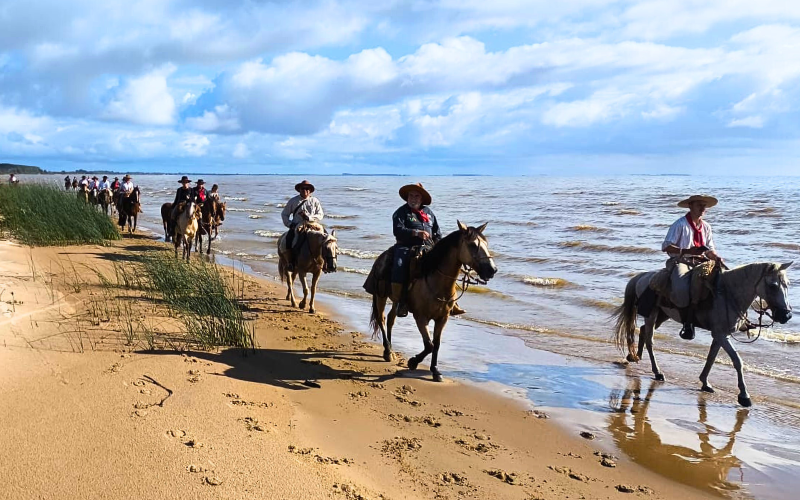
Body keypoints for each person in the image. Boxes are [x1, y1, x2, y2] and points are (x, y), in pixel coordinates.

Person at [391, 183, 466, 317]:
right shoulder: (401, 212)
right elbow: (398, 230)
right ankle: (401, 302)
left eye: (417, 196)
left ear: (421, 199)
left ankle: (451, 302)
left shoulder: (429, 213)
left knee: (449, 267)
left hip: (428, 247)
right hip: (406, 247)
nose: (413, 198)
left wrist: (440, 248)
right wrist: (415, 233)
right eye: (411, 195)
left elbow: (437, 233)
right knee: (400, 266)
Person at [662, 194, 723, 340]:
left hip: (701, 262)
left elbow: (709, 249)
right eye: (699, 205)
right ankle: (687, 321)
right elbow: (666, 246)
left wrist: (715, 257)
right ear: (690, 206)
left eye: (704, 206)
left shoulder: (706, 227)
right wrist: (687, 251)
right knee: (681, 287)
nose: (703, 208)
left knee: (725, 279)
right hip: (681, 261)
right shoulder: (680, 224)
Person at [281, 180, 324, 272]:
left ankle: (326, 263)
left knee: (327, 239)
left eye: (307, 188)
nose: (305, 190)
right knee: (288, 240)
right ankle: (290, 263)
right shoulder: (293, 201)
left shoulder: (315, 201)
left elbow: (320, 214)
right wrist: (289, 224)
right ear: (299, 190)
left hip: (313, 225)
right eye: (303, 188)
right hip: (298, 226)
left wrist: (308, 218)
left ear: (310, 190)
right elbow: (284, 214)